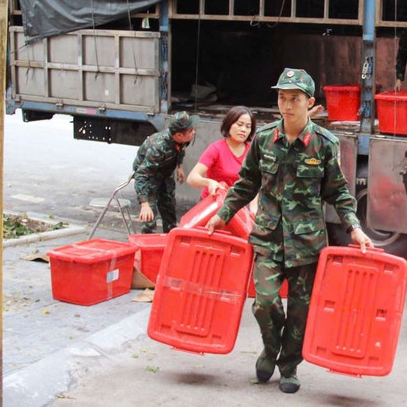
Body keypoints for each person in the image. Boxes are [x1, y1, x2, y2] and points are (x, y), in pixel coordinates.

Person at [205, 68, 372, 395]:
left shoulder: (325, 144)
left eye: (294, 98)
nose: (287, 105)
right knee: (264, 303)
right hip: (268, 237)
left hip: (307, 243)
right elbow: (245, 184)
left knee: (300, 310)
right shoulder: (264, 138)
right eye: (282, 97)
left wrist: (354, 227)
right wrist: (223, 214)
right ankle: (271, 348)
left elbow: (338, 192)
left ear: (309, 102)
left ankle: (289, 365)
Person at [133, 111, 198, 233]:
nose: (194, 132)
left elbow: (181, 149)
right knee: (149, 218)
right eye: (191, 131)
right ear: (179, 135)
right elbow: (142, 174)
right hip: (149, 176)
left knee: (169, 208)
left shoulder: (184, 139)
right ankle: (147, 244)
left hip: (165, 172)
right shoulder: (158, 148)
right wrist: (144, 203)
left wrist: (179, 166)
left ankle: (170, 239)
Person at [187, 106, 256, 200]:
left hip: (235, 205)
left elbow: (255, 184)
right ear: (229, 124)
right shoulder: (216, 149)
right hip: (211, 202)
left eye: (248, 127)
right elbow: (192, 178)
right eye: (239, 125)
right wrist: (209, 182)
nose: (243, 129)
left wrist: (253, 211)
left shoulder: (252, 152)